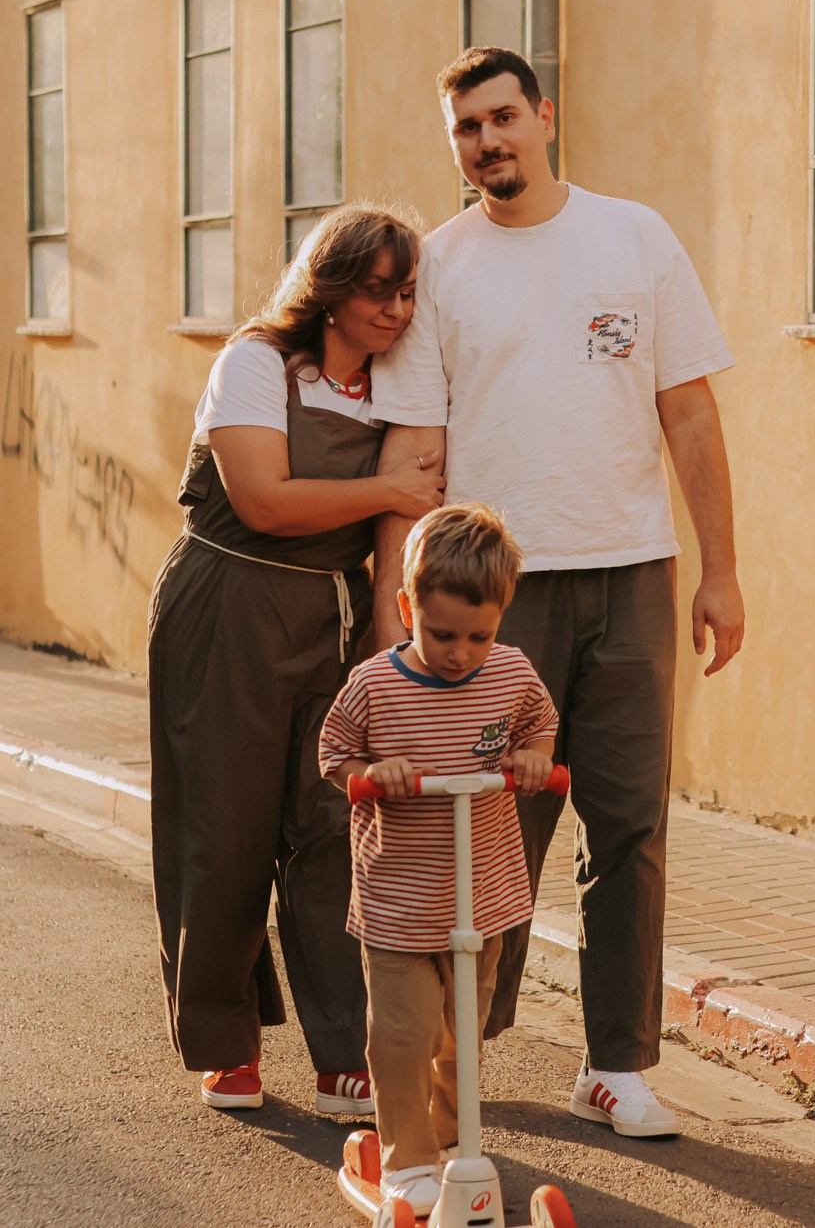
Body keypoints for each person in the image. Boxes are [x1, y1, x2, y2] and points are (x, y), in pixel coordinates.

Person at [369, 47, 744, 1139]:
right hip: (490, 596)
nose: (487, 142)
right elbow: (418, 451)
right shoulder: (438, 267)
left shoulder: (635, 238)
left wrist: (718, 569)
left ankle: (616, 1065)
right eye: (465, 130)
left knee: (628, 825)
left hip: (629, 572)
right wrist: (398, 604)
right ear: (455, 146)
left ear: (542, 115)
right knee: (486, 833)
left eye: (501, 118)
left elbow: (689, 414)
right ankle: (462, 1059)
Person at [148, 203, 446, 1114]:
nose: (395, 310)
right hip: (226, 600)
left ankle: (341, 1047)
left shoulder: (398, 387)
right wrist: (387, 486)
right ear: (328, 288)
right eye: (374, 290)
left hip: (332, 609)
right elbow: (266, 498)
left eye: (405, 292)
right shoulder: (254, 364)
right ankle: (224, 1043)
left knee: (330, 828)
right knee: (222, 829)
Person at [319, 503, 559, 1215]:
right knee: (403, 1035)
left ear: (501, 618)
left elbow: (540, 721)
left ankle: (457, 1144)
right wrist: (372, 770)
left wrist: (534, 759)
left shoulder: (510, 672)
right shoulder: (375, 685)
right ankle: (409, 1162)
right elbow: (334, 753)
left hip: (482, 896)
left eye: (479, 635)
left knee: (463, 1038)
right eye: (441, 633)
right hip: (399, 902)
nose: (460, 652)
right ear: (406, 608)